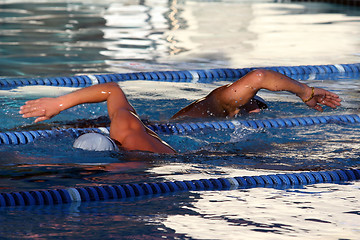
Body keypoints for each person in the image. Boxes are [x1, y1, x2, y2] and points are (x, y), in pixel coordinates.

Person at [19, 69, 341, 154]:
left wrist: (55, 105)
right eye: (253, 105)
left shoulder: (126, 129)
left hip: (151, 127)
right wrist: (307, 93)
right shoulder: (219, 105)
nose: (254, 110)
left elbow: (113, 90)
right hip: (162, 137)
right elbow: (258, 79)